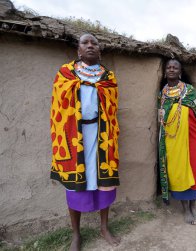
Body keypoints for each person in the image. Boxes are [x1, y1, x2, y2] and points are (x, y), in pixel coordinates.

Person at [50, 33, 120, 250]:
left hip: (102, 136)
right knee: (75, 187)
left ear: (99, 50)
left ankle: (104, 227)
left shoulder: (108, 77)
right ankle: (76, 234)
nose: (90, 45)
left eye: (94, 43)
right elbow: (58, 108)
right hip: (74, 138)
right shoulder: (65, 73)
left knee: (104, 184)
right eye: (85, 43)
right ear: (78, 50)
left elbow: (112, 108)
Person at [158, 59, 196, 225]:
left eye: (175, 67)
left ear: (180, 71)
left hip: (192, 137)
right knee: (177, 171)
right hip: (172, 140)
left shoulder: (190, 91)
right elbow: (161, 118)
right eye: (169, 67)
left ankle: (193, 205)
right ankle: (186, 209)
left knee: (193, 168)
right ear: (165, 71)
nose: (171, 69)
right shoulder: (162, 94)